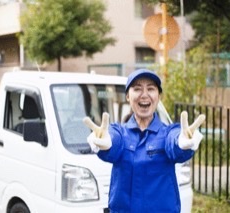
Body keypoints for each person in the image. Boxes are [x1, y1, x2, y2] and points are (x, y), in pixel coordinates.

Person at [83, 69, 205, 213]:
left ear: (158, 96)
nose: (144, 95)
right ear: (128, 96)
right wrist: (106, 142)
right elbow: (114, 142)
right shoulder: (120, 133)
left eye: (151, 89)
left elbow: (174, 142)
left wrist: (182, 142)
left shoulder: (167, 133)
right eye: (137, 89)